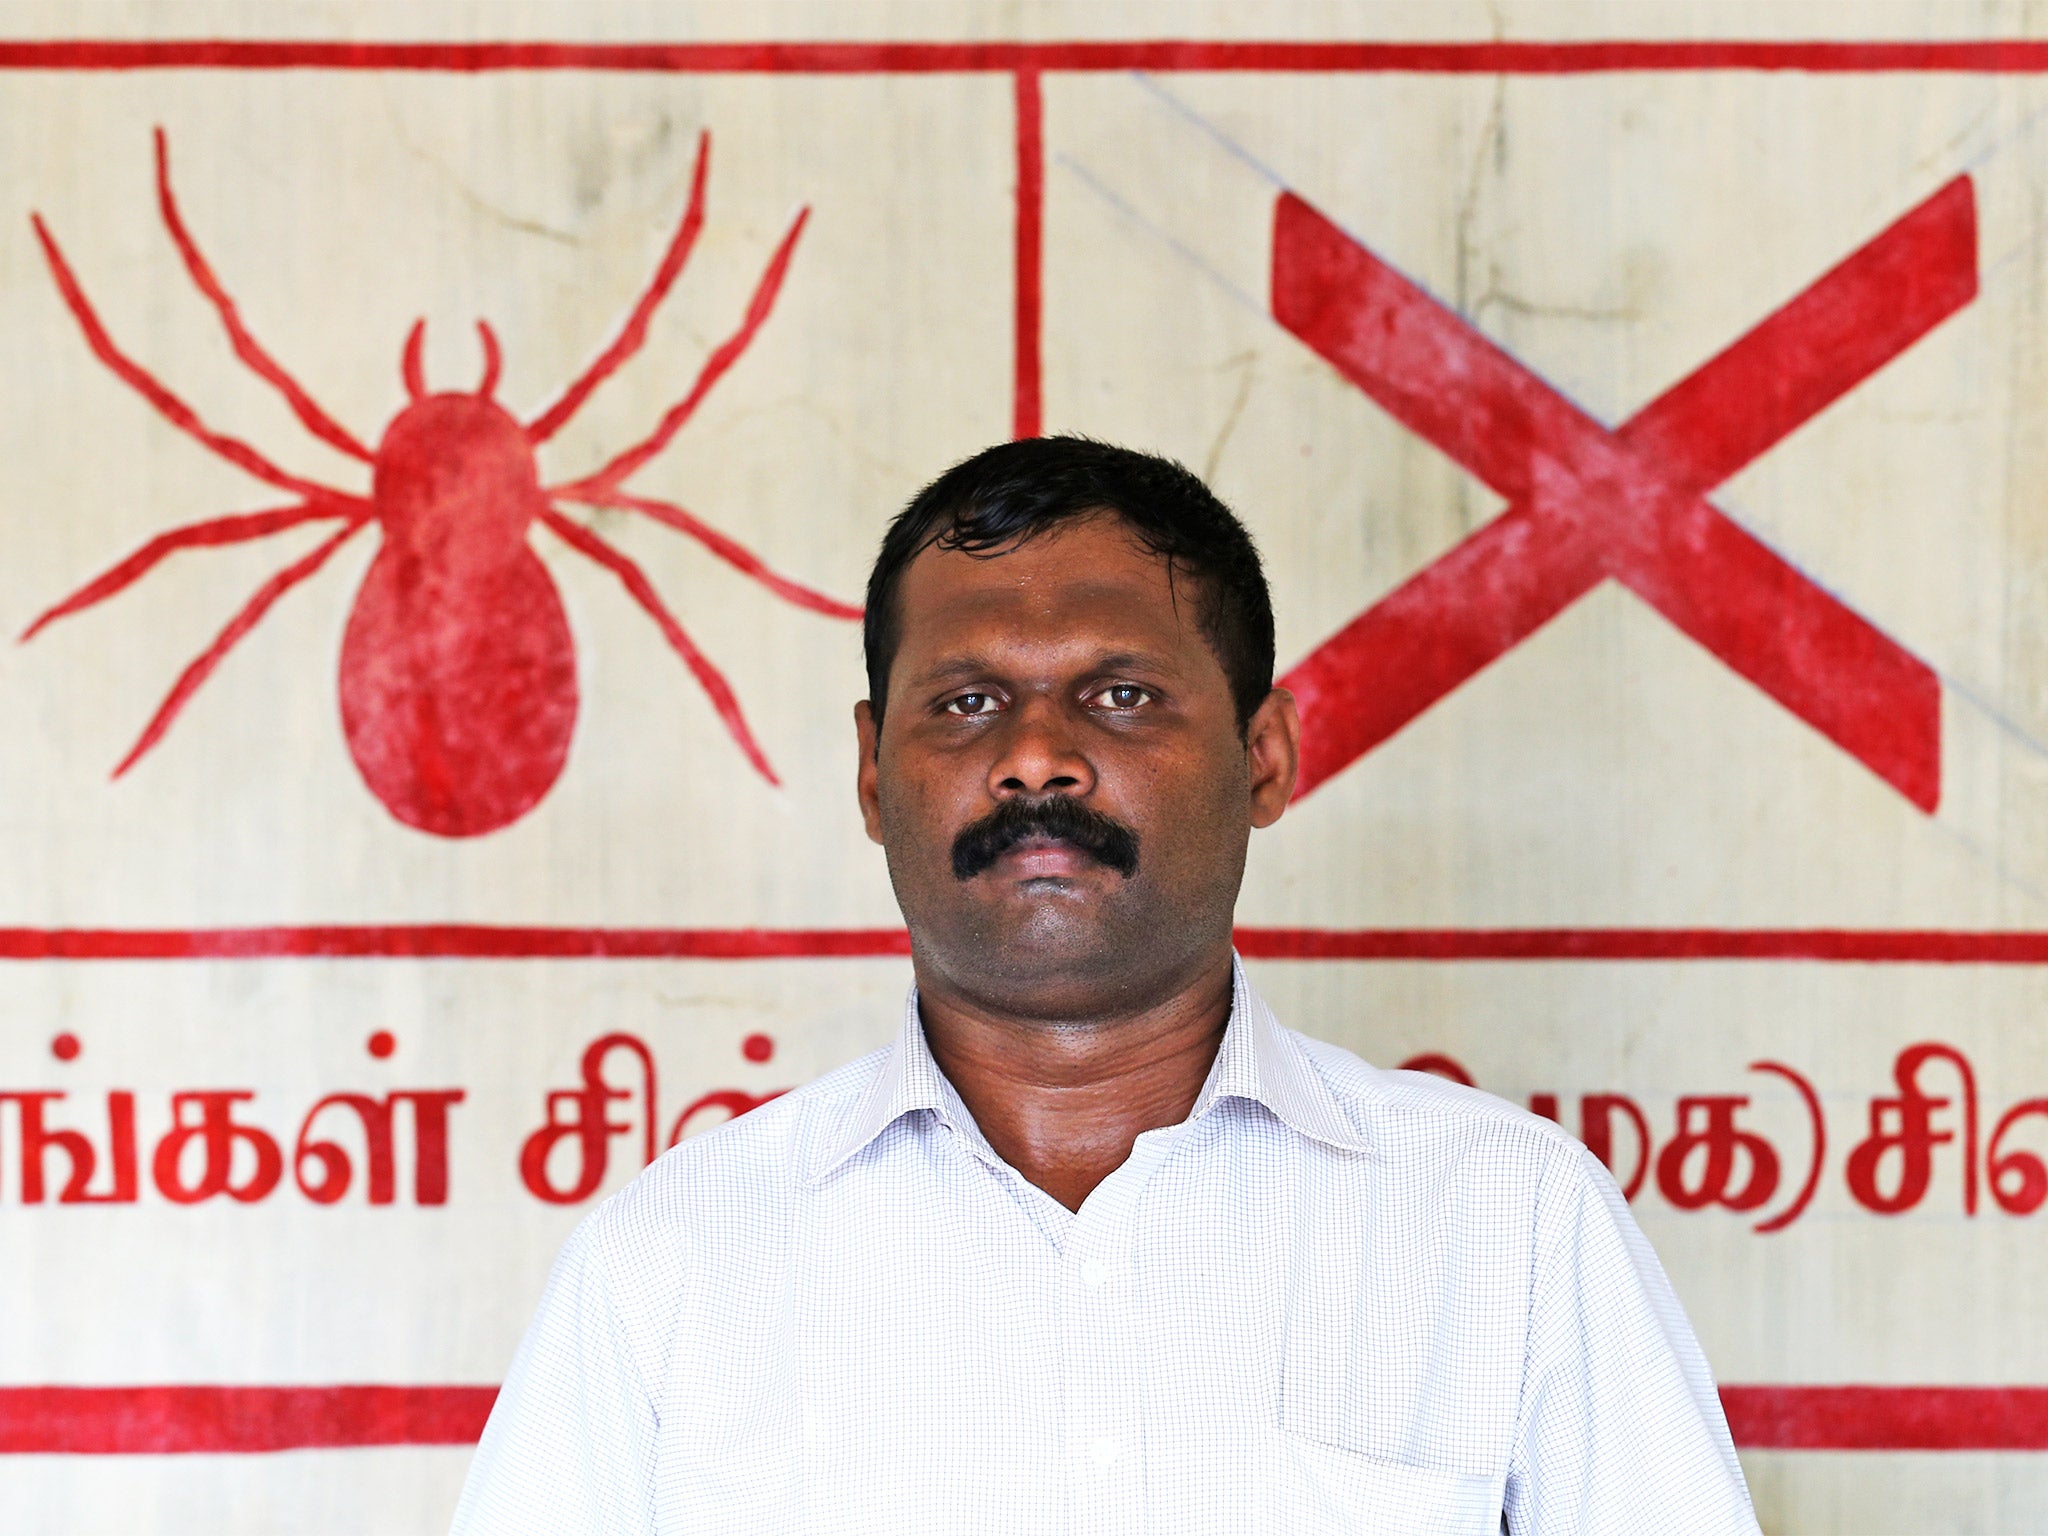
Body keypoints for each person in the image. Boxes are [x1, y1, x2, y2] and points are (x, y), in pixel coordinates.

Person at [450, 437, 1761, 1535]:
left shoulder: (1509, 1227)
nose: (1036, 759)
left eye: (1120, 694)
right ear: (871, 769)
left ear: (1265, 757)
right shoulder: (678, 1261)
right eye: (965, 703)